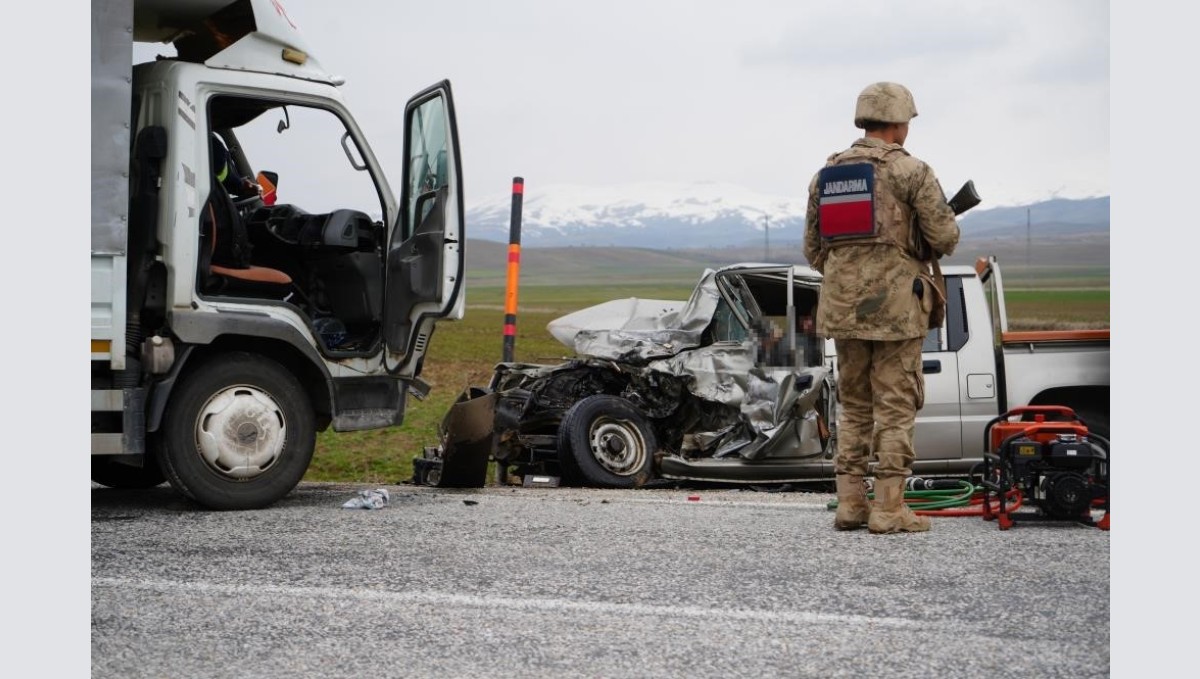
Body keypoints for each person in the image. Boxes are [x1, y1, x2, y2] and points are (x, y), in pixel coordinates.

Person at [803, 82, 960, 534]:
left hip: (842, 309)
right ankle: (889, 509)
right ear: (898, 122)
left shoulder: (826, 176)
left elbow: (814, 251)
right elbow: (945, 239)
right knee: (894, 407)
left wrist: (853, 272)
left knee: (853, 407)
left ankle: (850, 505)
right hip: (895, 311)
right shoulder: (911, 172)